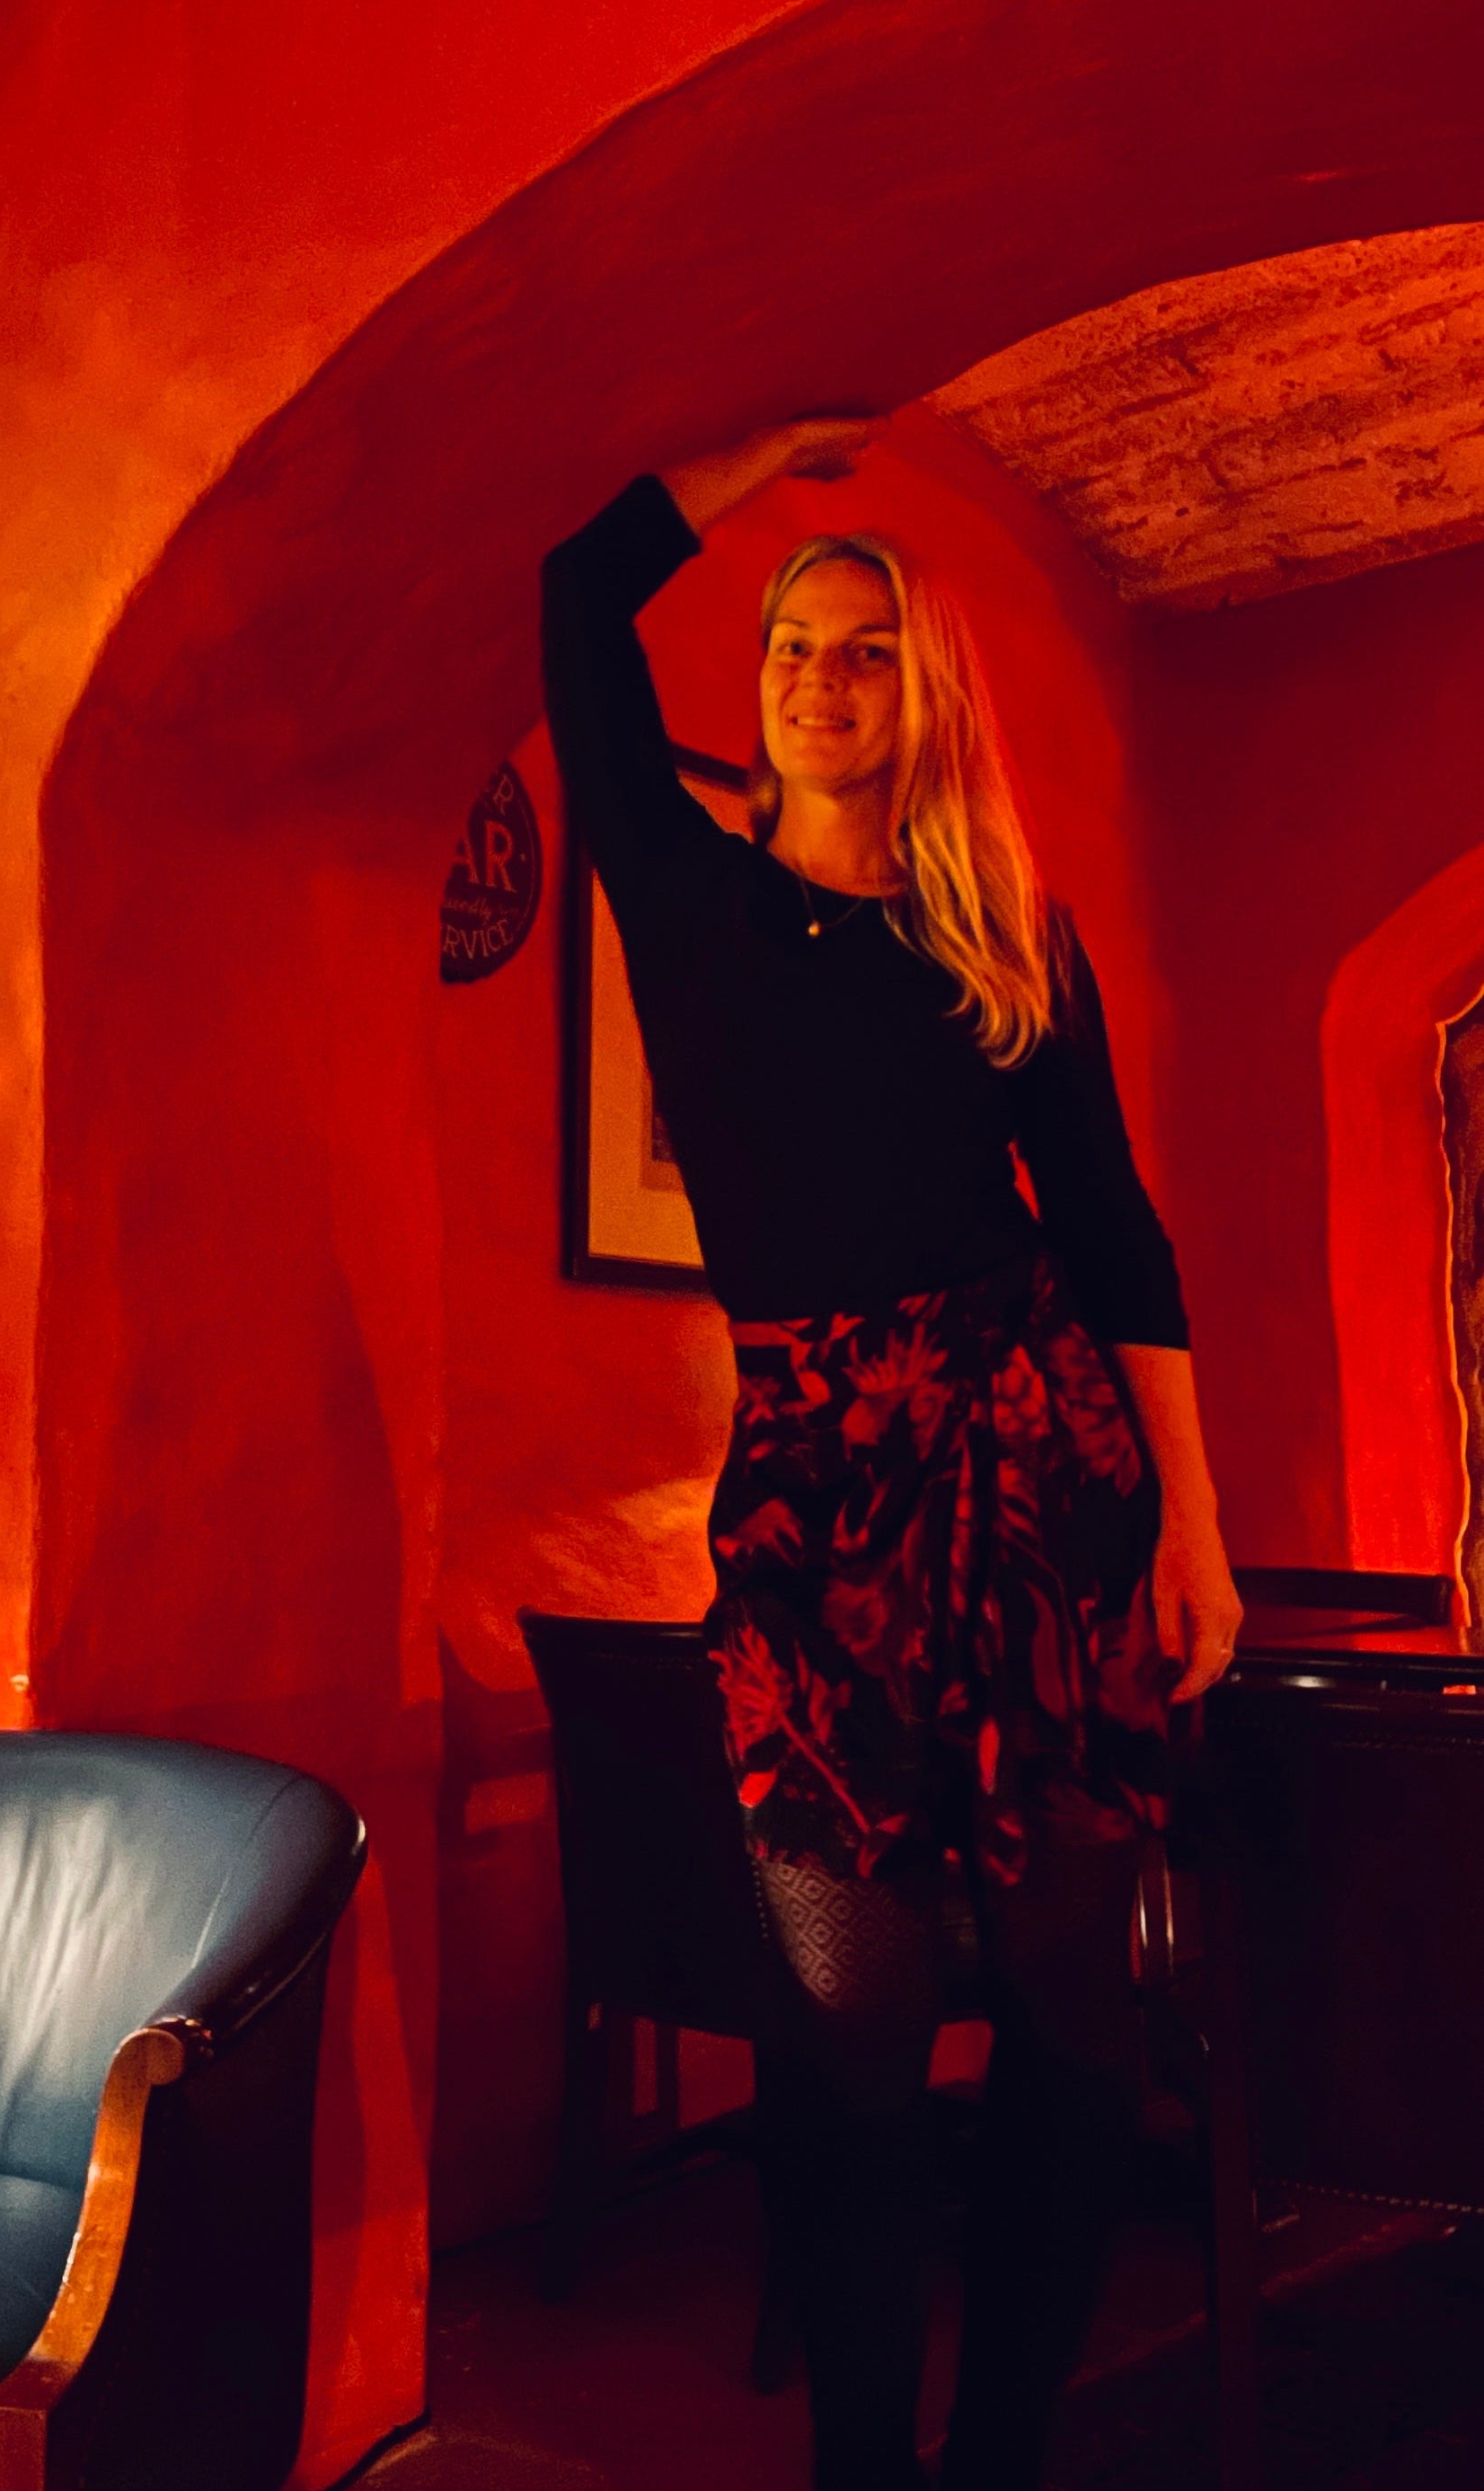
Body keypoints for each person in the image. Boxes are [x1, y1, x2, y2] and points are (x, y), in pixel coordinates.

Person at [540, 418, 1242, 2491]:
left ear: (917, 691)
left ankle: (1001, 2450)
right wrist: (759, 463)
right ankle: (867, 2463)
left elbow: (1110, 1229)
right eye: (789, 646)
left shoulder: (1006, 933)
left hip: (1042, 1470)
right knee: (841, 2034)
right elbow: (580, 598)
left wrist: (1191, 1519)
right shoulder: (680, 893)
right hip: (810, 1498)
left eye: (860, 651)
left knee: (1064, 2022)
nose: (817, 682)